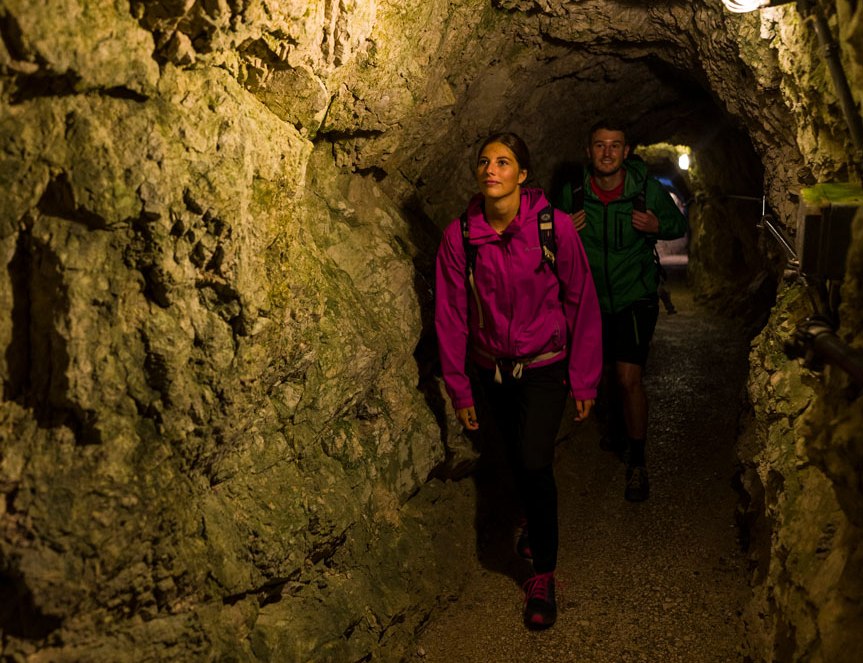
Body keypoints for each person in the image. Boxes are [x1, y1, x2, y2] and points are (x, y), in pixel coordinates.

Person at [435, 132, 602, 630]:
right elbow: (450, 315)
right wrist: (461, 387)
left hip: (546, 365)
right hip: (492, 369)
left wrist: (585, 380)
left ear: (522, 175)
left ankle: (543, 576)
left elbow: (581, 301)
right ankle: (528, 518)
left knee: (534, 460)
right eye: (484, 161)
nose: (491, 169)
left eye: (503, 162)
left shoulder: (552, 229)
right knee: (508, 458)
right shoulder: (461, 237)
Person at [554, 119, 687, 502]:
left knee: (629, 378)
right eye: (600, 145)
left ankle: (638, 462)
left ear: (627, 152)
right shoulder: (574, 194)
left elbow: (676, 225)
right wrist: (565, 229)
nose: (608, 152)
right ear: (589, 150)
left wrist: (656, 223)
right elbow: (547, 242)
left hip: (635, 296)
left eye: (615, 145)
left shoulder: (644, 190)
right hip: (589, 300)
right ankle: (614, 426)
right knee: (604, 373)